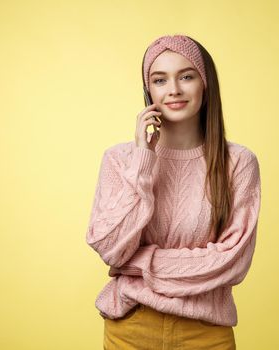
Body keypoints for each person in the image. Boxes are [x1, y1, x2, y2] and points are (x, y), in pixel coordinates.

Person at [85, 34, 261, 349]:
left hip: (206, 333)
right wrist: (142, 162)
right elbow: (111, 248)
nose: (174, 90)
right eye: (160, 79)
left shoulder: (238, 162)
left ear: (205, 85)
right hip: (131, 328)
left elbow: (231, 261)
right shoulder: (120, 159)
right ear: (147, 90)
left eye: (186, 76)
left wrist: (138, 263)